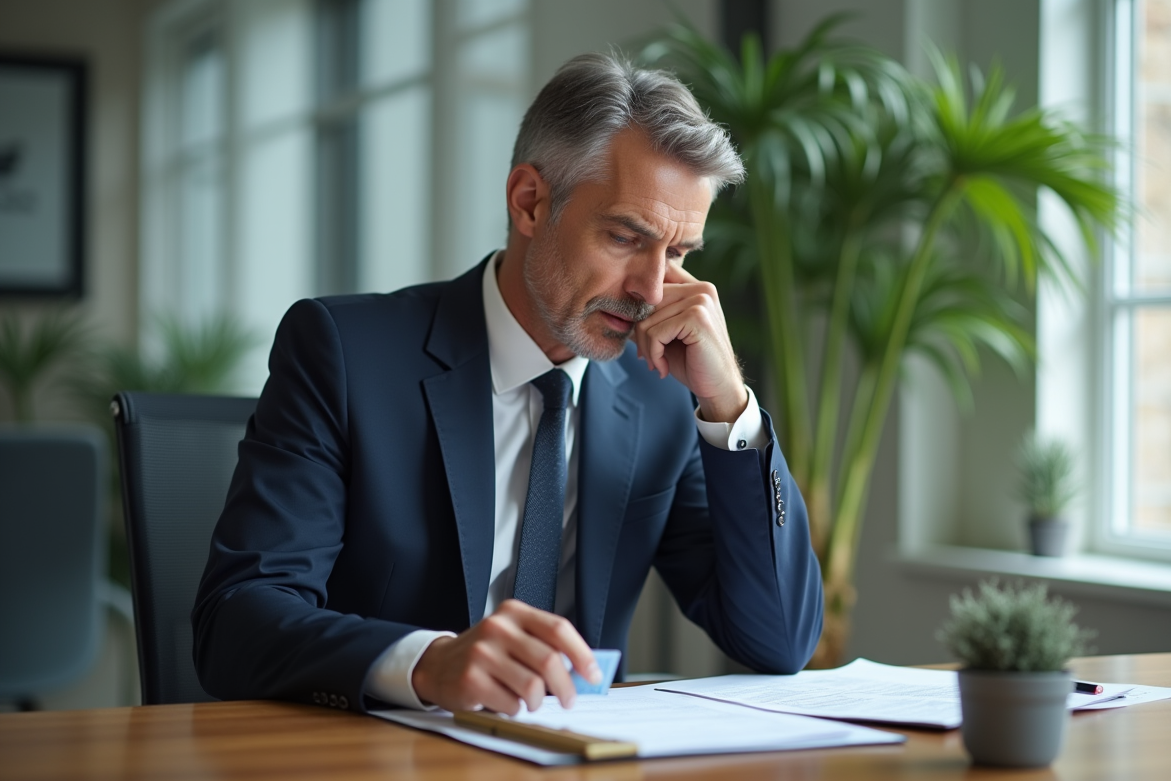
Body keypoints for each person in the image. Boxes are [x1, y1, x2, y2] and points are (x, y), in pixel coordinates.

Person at [192, 52, 823, 716]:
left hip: (577, 755)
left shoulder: (662, 390)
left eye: (678, 254)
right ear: (529, 202)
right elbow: (236, 620)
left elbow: (778, 640)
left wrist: (730, 408)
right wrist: (427, 663)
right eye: (624, 238)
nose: (651, 289)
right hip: (378, 753)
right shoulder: (344, 354)